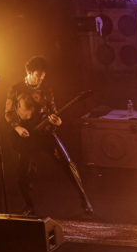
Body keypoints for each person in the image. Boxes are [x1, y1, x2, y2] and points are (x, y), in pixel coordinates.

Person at [5, 55, 93, 216]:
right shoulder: (16, 89)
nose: (41, 78)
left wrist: (57, 121)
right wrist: (17, 127)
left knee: (68, 164)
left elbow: (53, 111)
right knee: (23, 173)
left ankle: (84, 200)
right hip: (25, 135)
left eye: (43, 76)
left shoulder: (46, 89)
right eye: (38, 75)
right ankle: (29, 205)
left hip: (45, 133)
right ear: (29, 72)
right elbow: (9, 113)